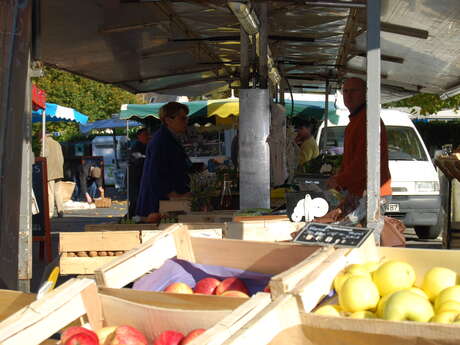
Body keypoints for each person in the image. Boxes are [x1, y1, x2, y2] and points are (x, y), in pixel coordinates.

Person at [327, 77, 391, 218]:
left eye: (353, 91)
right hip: (359, 192)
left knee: (361, 237)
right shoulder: (356, 121)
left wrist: (339, 180)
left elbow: (364, 162)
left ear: (364, 94)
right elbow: (351, 161)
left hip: (371, 193)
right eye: (345, 91)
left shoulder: (368, 120)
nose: (348, 95)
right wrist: (339, 179)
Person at [136, 102, 192, 223]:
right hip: (158, 204)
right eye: (182, 118)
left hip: (163, 201)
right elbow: (155, 173)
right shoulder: (161, 140)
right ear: (168, 120)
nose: (186, 121)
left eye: (186, 118)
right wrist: (173, 195)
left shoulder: (167, 138)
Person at [39, 131, 64, 218]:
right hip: (59, 170)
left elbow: (43, 156)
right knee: (58, 192)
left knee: (50, 192)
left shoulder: (45, 143)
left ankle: (50, 213)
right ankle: (61, 211)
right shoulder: (57, 143)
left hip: (49, 171)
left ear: (43, 135)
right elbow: (62, 157)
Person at [128, 128, 151, 218]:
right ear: (139, 136)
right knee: (135, 200)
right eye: (145, 135)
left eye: (148, 135)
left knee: (139, 199)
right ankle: (129, 218)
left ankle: (135, 216)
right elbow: (138, 159)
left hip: (140, 178)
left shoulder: (145, 146)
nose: (148, 137)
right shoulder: (136, 146)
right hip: (135, 179)